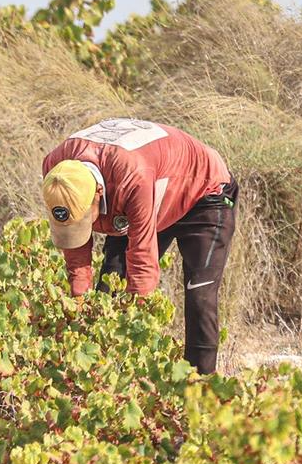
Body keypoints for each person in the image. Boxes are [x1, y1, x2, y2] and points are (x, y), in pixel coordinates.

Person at [40, 118, 238, 373]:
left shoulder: (131, 177)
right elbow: (76, 258)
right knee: (110, 286)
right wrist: (77, 310)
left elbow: (143, 266)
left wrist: (135, 337)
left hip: (203, 190)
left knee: (200, 293)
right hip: (149, 185)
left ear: (98, 193)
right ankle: (101, 377)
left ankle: (200, 386)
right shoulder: (56, 173)